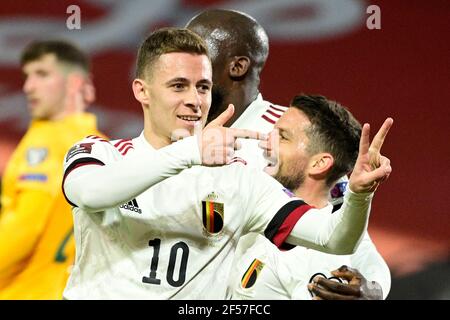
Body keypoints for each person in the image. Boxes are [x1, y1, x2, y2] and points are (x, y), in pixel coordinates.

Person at [61, 27, 391, 299]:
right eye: (178, 86)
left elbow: (334, 238)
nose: (194, 99)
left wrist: (359, 195)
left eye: (203, 87)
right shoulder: (99, 154)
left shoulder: (240, 180)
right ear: (142, 91)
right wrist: (189, 152)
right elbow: (91, 194)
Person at [186, 9, 390, 299]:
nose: (180, 62)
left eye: (196, 53)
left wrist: (374, 288)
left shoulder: (293, 138)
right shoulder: (176, 126)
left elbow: (347, 232)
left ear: (237, 66)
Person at [228, 95, 392, 300]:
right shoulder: (268, 211)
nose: (265, 145)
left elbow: (360, 249)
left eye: (282, 137)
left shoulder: (319, 257)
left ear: (319, 164)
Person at [0, 40, 103, 299]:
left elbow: (25, 226)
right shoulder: (104, 145)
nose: (28, 87)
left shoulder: (46, 141)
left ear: (75, 83)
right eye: (27, 76)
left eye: (42, 74)